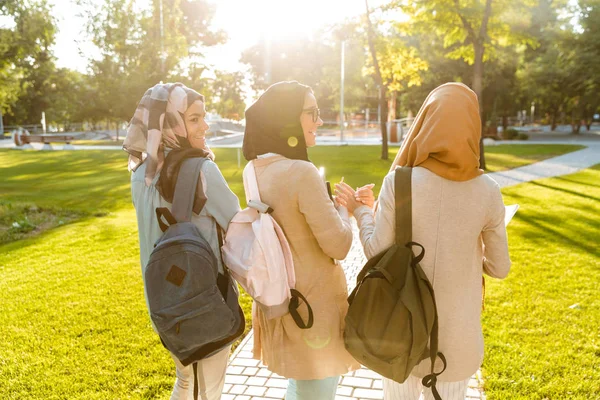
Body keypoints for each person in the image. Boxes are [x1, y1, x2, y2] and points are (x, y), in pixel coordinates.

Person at [335, 82, 511, 400]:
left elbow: (375, 250)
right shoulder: (488, 191)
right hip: (457, 344)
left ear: (425, 123)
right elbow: (499, 268)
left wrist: (363, 212)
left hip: (398, 333)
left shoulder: (400, 181)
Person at [242, 81, 360, 400]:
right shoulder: (301, 172)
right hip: (314, 311)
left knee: (298, 386)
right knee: (317, 392)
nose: (319, 121)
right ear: (288, 119)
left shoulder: (253, 170)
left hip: (283, 301)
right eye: (312, 113)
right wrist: (344, 210)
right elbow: (339, 245)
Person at [123, 83, 241, 400]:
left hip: (163, 302)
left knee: (187, 381)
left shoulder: (140, 175)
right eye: (194, 118)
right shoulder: (202, 170)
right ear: (171, 123)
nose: (205, 125)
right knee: (207, 391)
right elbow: (238, 226)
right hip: (202, 300)